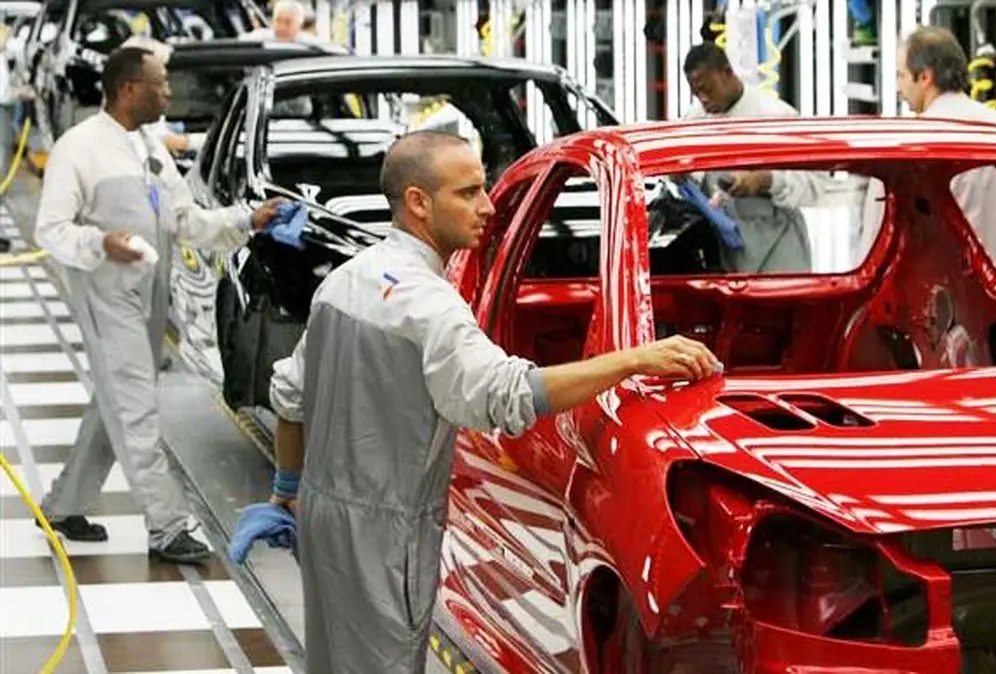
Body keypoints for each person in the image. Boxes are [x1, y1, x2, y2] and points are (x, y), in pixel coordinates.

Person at [267, 130, 722, 673]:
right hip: (387, 536)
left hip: (324, 515)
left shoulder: (344, 281)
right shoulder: (431, 306)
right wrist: (632, 360)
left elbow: (288, 395)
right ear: (418, 202)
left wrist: (287, 491)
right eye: (468, 193)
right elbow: (507, 396)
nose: (487, 207)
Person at [33, 46, 285, 564]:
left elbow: (185, 220)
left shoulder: (147, 147)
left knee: (117, 400)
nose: (169, 93)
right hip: (107, 297)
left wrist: (247, 219)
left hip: (149, 295)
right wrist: (100, 243)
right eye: (161, 84)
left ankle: (63, 504)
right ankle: (166, 525)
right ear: (129, 90)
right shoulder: (79, 149)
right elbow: (50, 230)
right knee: (136, 407)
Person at [858, 26, 996, 300]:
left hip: (940, 304)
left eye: (901, 75)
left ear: (925, 77)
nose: (898, 87)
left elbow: (876, 245)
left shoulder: (905, 145)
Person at [679, 41, 828, 274]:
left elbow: (815, 183)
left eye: (708, 89)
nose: (704, 99)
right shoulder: (695, 119)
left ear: (727, 72)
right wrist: (680, 175)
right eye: (697, 94)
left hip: (779, 251)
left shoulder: (775, 117)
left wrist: (767, 180)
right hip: (728, 254)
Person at [241, 0, 309, 42]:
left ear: (299, 25)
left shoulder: (308, 44)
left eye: (288, 22)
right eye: (278, 21)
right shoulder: (259, 37)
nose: (282, 27)